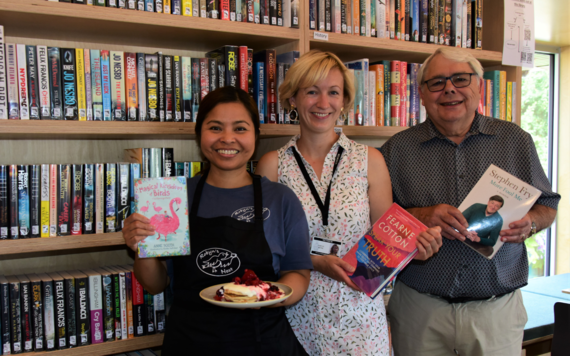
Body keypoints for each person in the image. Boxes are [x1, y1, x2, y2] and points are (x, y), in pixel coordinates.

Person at [255, 50, 443, 355]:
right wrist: (314, 261)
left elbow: (388, 240)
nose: (323, 103)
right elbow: (263, 249)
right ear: (293, 98)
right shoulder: (271, 166)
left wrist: (417, 248)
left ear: (344, 101)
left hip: (362, 323)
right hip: (296, 321)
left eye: (333, 92)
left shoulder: (370, 160)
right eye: (312, 92)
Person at [380, 47, 561, 356]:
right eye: (436, 82)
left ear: (479, 86)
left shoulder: (515, 141)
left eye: (460, 79)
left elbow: (547, 204)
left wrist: (530, 224)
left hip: (496, 314)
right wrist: (422, 216)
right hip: (419, 311)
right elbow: (378, 223)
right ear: (421, 94)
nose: (449, 89)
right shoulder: (396, 150)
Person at [122, 87, 313, 356]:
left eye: (240, 129)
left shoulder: (280, 199)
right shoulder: (175, 196)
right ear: (199, 133)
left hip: (263, 343)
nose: (227, 139)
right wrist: (141, 246)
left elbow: (299, 273)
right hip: (189, 343)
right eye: (215, 127)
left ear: (255, 136)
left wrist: (265, 297)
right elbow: (155, 284)